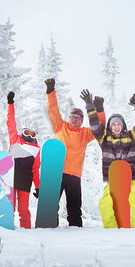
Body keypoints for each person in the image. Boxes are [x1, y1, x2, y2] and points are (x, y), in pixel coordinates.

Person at [81, 86, 135, 228]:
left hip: (130, 179)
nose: (116, 127)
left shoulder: (131, 136)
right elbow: (94, 125)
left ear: (123, 125)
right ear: (110, 127)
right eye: (114, 124)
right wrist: (90, 106)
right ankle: (111, 229)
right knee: (104, 203)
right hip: (113, 179)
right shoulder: (104, 138)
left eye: (119, 124)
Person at [45, 78, 105, 227]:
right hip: (56, 172)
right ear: (68, 118)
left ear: (82, 121)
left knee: (74, 207)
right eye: (72, 117)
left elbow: (100, 127)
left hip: (74, 175)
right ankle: (48, 226)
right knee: (51, 204)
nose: (74, 119)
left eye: (78, 118)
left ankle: (76, 229)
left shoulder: (85, 133)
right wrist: (50, 91)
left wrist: (99, 109)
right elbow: (53, 110)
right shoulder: (60, 126)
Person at [6, 92, 41, 229]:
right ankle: (7, 230)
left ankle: (26, 230)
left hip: (25, 181)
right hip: (10, 178)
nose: (29, 136)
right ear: (23, 131)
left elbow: (35, 170)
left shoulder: (36, 149)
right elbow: (11, 122)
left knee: (23, 209)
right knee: (10, 208)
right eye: (27, 133)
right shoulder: (15, 139)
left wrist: (38, 187)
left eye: (32, 134)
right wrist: (10, 104)